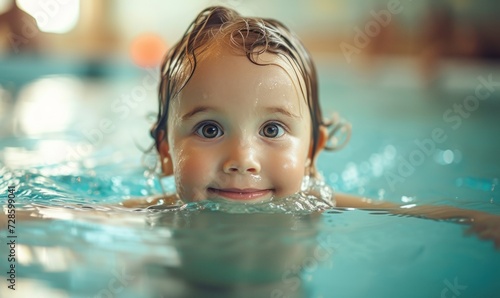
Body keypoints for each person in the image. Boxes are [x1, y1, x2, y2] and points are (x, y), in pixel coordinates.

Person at [122, 6, 499, 247]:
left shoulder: (316, 203)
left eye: (271, 130)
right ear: (167, 151)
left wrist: (475, 216)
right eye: (209, 130)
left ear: (311, 152)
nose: (242, 161)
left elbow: (401, 210)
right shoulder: (163, 211)